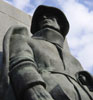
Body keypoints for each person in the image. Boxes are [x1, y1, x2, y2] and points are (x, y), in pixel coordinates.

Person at [3, 5, 93, 100]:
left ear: (61, 23)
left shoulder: (74, 60)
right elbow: (21, 65)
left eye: (50, 16)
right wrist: (36, 91)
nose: (44, 17)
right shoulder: (24, 38)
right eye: (41, 18)